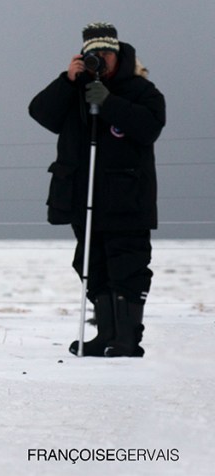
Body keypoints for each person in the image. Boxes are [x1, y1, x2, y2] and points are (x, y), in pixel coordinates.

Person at [28, 23, 165, 357]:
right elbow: (40, 113)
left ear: (118, 55)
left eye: (105, 54)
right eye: (92, 55)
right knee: (92, 264)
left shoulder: (141, 91)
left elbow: (149, 128)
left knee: (127, 266)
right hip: (83, 197)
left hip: (126, 199)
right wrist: (66, 80)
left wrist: (110, 103)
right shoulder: (75, 89)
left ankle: (127, 339)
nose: (99, 60)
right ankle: (105, 335)